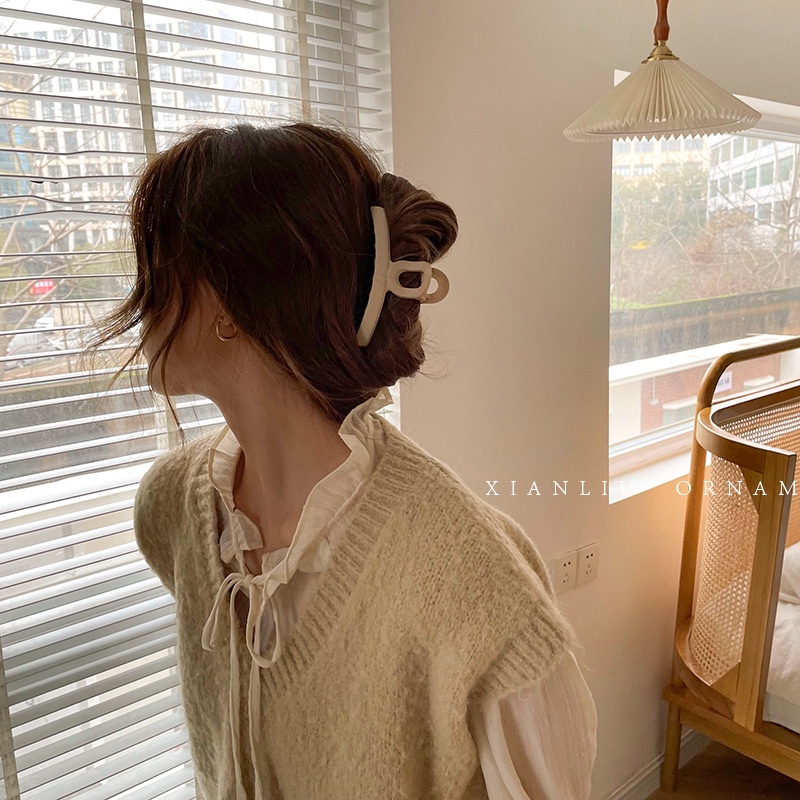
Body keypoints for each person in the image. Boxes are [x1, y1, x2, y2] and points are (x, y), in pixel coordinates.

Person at [104, 121, 596, 799]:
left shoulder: (476, 588)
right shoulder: (170, 508)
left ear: (228, 303)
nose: (138, 302)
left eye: (156, 269)